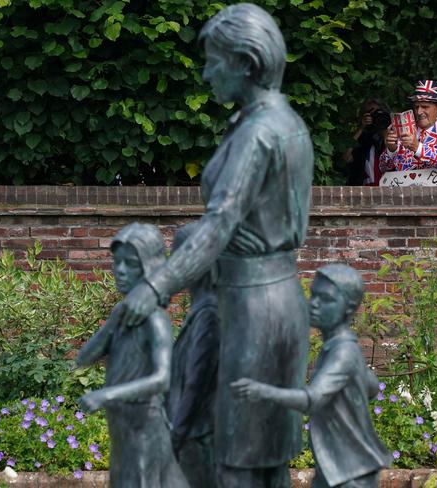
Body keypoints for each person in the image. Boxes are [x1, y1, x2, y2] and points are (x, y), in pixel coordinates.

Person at [118, 4, 314, 487]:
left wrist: (156, 285)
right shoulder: (288, 123)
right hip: (281, 299)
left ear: (247, 62)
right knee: (265, 458)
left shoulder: (258, 134)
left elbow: (219, 223)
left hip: (251, 308)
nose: (206, 73)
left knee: (238, 459)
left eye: (213, 61)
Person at [231, 264, 391, 488]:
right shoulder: (339, 348)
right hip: (337, 465)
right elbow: (372, 387)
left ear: (349, 308)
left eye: (325, 299)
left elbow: (312, 400)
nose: (314, 303)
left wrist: (260, 390)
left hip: (349, 472)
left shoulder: (343, 352)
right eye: (314, 295)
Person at [76, 223, 188, 488]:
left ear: (148, 268)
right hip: (122, 424)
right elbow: (84, 357)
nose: (121, 271)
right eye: (117, 262)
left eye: (131, 264)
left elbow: (162, 379)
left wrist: (106, 394)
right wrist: (114, 320)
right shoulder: (121, 315)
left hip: (145, 428)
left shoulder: (155, 320)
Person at [165, 223, 219, 488]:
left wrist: (176, 435)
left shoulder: (209, 315)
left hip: (197, 439)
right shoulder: (200, 311)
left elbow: (197, 385)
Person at [379, 80, 437, 174]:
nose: (419, 112)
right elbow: (383, 168)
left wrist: (418, 147)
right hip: (404, 188)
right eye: (416, 107)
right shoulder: (404, 128)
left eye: (425, 106)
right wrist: (391, 150)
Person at [344, 98, 391, 186]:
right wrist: (361, 128)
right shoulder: (362, 138)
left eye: (379, 113)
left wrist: (385, 128)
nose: (376, 116)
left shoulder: (394, 136)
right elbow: (346, 158)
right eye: (371, 114)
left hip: (388, 189)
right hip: (364, 190)